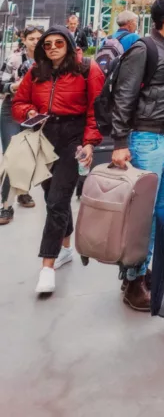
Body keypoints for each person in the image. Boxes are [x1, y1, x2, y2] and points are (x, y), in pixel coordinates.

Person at [110, 0, 164, 311]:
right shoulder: (144, 48)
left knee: (160, 211)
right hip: (145, 139)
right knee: (142, 214)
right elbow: (124, 96)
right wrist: (119, 143)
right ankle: (133, 281)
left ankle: (141, 272)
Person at [11, 26, 104, 294]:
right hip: (43, 137)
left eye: (59, 42)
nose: (52, 47)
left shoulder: (87, 69)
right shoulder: (36, 71)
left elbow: (96, 109)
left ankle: (47, 265)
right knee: (53, 195)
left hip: (72, 138)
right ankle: (65, 250)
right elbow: (18, 103)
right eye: (47, 43)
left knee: (57, 201)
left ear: (69, 43)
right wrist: (28, 110)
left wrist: (89, 142)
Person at [0, 25, 43, 224]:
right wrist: (13, 86)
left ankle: (23, 192)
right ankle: (5, 205)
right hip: (11, 110)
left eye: (38, 38)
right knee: (12, 157)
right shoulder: (14, 59)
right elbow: (1, 84)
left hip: (35, 113)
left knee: (28, 156)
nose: (35, 41)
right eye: (31, 38)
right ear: (24, 40)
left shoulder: (48, 60)